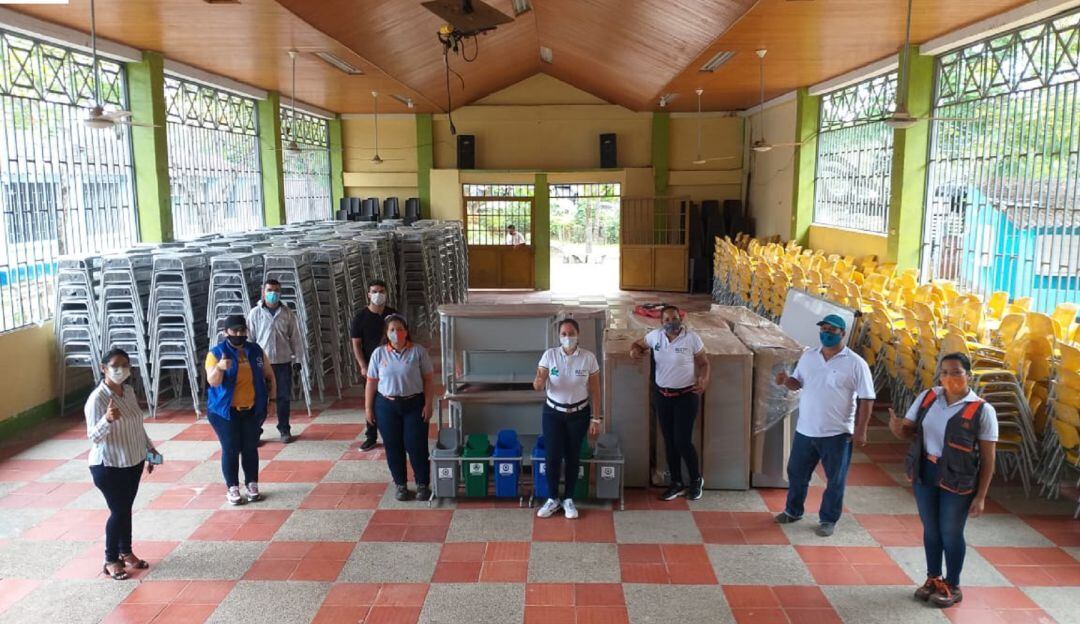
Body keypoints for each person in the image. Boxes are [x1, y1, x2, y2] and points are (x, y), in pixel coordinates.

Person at [890, 352, 998, 608]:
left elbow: (988, 459)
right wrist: (896, 428)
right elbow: (908, 431)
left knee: (950, 531)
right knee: (931, 529)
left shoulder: (982, 410)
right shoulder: (929, 397)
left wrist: (981, 496)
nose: (950, 377)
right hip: (926, 471)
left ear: (968, 375)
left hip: (958, 479)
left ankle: (953, 584)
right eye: (945, 372)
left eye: (957, 372)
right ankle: (933, 578)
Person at [774, 314, 875, 537]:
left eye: (832, 330)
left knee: (835, 479)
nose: (826, 334)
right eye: (823, 329)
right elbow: (797, 383)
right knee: (797, 473)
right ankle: (793, 510)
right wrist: (786, 380)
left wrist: (861, 430)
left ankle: (828, 519)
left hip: (837, 433)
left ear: (843, 333)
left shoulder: (856, 363)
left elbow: (867, 398)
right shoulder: (809, 356)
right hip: (806, 429)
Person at [85, 348, 158, 580]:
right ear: (103, 368)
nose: (120, 369)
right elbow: (94, 438)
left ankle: (126, 552)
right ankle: (110, 559)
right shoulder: (97, 399)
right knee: (118, 511)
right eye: (115, 365)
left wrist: (149, 450)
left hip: (133, 461)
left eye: (125, 365)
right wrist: (107, 420)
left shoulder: (127, 391)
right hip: (109, 466)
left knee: (125, 510)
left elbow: (137, 424)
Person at [629, 305, 710, 501]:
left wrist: (704, 379)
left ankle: (696, 480)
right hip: (663, 397)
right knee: (669, 442)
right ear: (661, 322)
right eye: (666, 320)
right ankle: (676, 482)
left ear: (680, 319)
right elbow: (638, 344)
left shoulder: (691, 338)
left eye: (674, 318)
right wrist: (634, 350)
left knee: (682, 441)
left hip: (686, 396)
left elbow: (704, 363)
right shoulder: (655, 337)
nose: (671, 322)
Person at [533, 318, 602, 519]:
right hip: (553, 413)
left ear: (578, 335)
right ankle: (552, 498)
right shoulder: (550, 355)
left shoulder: (588, 358)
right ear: (559, 336)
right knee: (552, 456)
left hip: (578, 414)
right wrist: (538, 381)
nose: (567, 337)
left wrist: (595, 418)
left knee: (573, 456)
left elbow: (595, 390)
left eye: (571, 333)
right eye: (563, 334)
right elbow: (539, 380)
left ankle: (569, 498)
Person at [205, 314, 276, 506]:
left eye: (242, 330)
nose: (239, 334)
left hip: (251, 409)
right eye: (234, 330)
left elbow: (269, 375)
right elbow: (213, 381)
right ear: (226, 332)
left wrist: (273, 400)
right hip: (224, 412)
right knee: (231, 448)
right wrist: (220, 367)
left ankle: (252, 484)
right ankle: (232, 487)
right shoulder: (216, 353)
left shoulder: (255, 350)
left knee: (250, 447)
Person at [365, 314, 436, 501]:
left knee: (416, 445)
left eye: (400, 329)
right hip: (386, 405)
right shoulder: (379, 353)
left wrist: (429, 404)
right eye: (392, 330)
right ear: (386, 333)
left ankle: (422, 484)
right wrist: (368, 409)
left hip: (414, 404)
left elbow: (429, 380)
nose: (397, 333)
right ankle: (401, 484)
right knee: (393, 446)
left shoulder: (418, 352)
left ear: (407, 331)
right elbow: (371, 383)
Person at [247, 278, 304, 444]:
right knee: (259, 398)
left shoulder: (287, 313)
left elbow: (295, 337)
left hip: (283, 361)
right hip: (262, 363)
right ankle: (256, 431)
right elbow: (250, 339)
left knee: (283, 398)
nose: (273, 294)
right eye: (270, 290)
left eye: (277, 290)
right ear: (263, 291)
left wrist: (298, 359)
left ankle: (284, 429)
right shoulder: (255, 313)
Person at [350, 279, 397, 451]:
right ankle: (371, 436)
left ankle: (393, 435)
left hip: (392, 366)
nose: (378, 295)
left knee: (392, 399)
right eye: (375, 291)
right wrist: (363, 365)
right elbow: (356, 344)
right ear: (369, 294)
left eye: (382, 291)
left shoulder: (393, 315)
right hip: (371, 367)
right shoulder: (360, 318)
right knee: (371, 401)